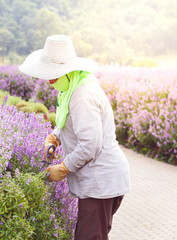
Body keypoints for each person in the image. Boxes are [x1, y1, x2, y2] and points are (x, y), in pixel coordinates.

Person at [18, 35, 130, 240]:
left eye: (54, 74)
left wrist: (62, 168)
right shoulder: (71, 89)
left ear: (68, 71)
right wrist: (54, 136)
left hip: (100, 183)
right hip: (97, 183)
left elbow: (90, 145)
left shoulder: (82, 95)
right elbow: (69, 122)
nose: (50, 79)